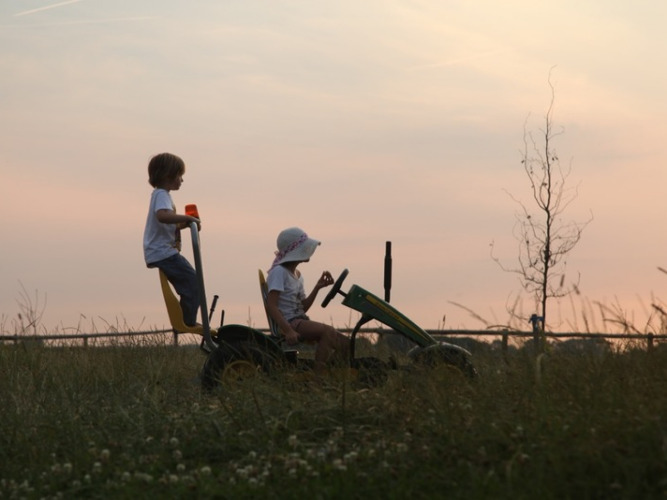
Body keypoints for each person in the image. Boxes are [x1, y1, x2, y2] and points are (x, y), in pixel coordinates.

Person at [265, 227, 350, 372]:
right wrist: (288, 330)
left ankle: (332, 373)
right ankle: (318, 377)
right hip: (290, 322)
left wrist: (317, 287)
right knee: (328, 332)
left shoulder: (297, 275)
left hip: (299, 320)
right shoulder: (279, 272)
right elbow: (271, 305)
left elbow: (303, 308)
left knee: (346, 344)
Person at [143, 152, 201, 327]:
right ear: (168, 176)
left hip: (163, 251)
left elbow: (168, 224)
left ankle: (187, 320)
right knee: (193, 282)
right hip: (164, 252)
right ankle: (187, 321)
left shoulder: (161, 195)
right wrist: (188, 218)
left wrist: (186, 224)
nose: (181, 180)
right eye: (179, 176)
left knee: (192, 281)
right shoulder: (162, 194)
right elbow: (163, 216)